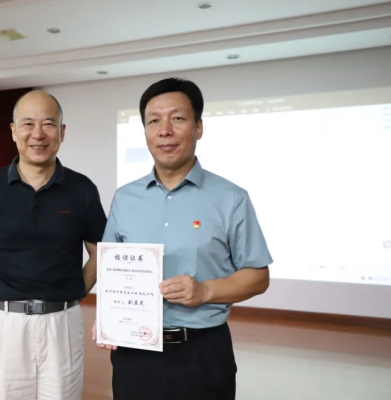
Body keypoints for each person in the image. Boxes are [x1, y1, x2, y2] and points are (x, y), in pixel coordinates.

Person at [94, 78, 273, 399]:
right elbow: (112, 271)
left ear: (198, 127)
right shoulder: (125, 198)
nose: (165, 130)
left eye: (177, 118)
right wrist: (108, 317)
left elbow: (258, 276)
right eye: (154, 121)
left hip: (201, 353)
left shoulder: (231, 198)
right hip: (134, 353)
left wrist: (205, 291)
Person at [0, 90, 107, 400]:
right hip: (2, 325)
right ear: (13, 131)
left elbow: (100, 253)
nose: (38, 134)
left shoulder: (82, 188)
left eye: (48, 124)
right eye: (28, 124)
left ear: (62, 132)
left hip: (62, 323)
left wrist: (77, 290)